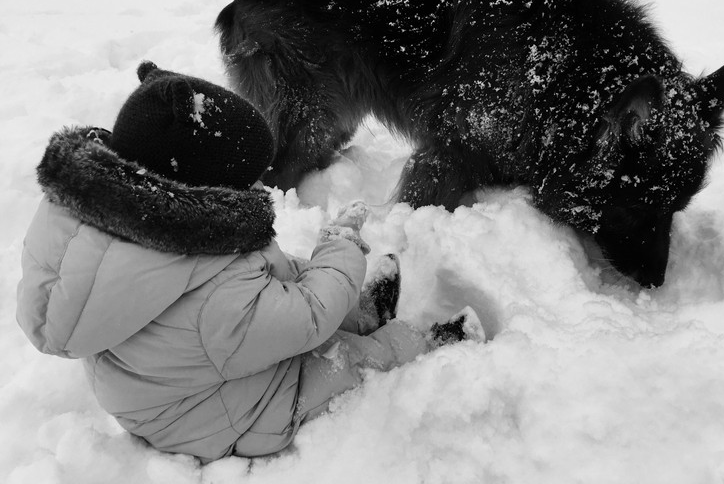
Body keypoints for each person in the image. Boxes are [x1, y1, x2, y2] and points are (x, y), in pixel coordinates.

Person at [16, 61, 485, 463]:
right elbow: (308, 319)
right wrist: (340, 245)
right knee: (343, 363)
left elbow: (261, 288)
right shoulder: (214, 295)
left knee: (285, 277)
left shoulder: (118, 220)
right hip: (218, 416)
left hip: (183, 376)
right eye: (248, 182)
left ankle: (357, 312)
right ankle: (416, 346)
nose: (260, 190)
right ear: (202, 190)